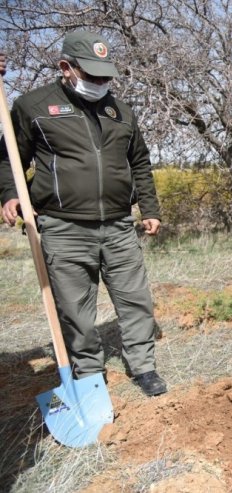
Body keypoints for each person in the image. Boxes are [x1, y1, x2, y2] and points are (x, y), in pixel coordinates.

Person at [0, 31, 167, 396]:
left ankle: (143, 366)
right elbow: (9, 158)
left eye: (106, 75)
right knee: (76, 310)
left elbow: (139, 161)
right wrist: (11, 194)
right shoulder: (33, 106)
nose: (101, 83)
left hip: (120, 225)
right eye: (92, 75)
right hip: (63, 227)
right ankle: (89, 373)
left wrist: (149, 208)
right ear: (66, 68)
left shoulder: (121, 112)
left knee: (136, 299)